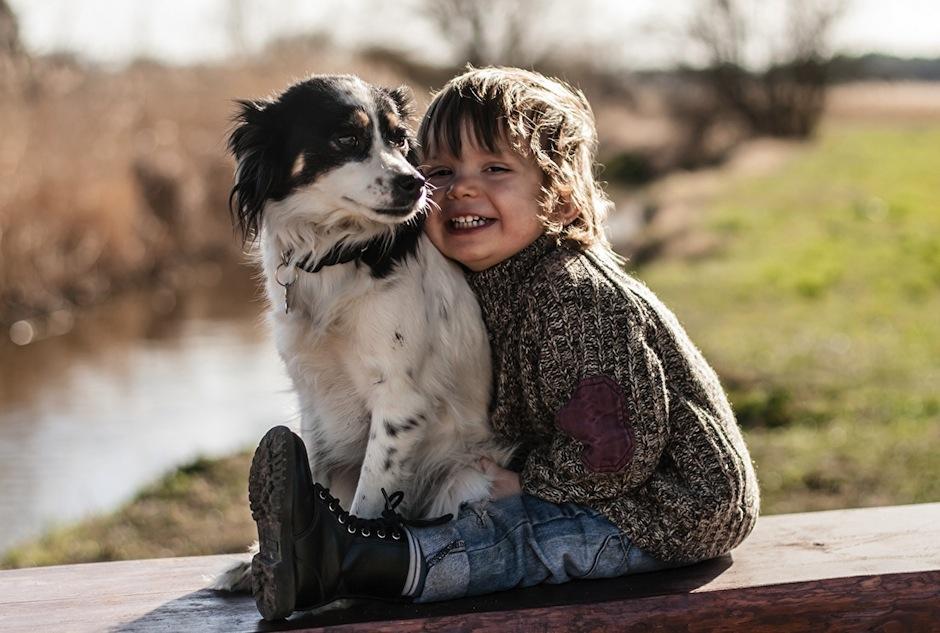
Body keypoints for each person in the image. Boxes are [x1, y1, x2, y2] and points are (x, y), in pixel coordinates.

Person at [247, 67, 760, 620]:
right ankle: (318, 545)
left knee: (510, 541)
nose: (459, 188)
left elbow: (616, 456)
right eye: (440, 170)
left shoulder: (575, 301)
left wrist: (526, 480)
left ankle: (366, 561)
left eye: (495, 168)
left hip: (668, 510)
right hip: (596, 484)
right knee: (503, 522)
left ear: (560, 198)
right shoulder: (488, 275)